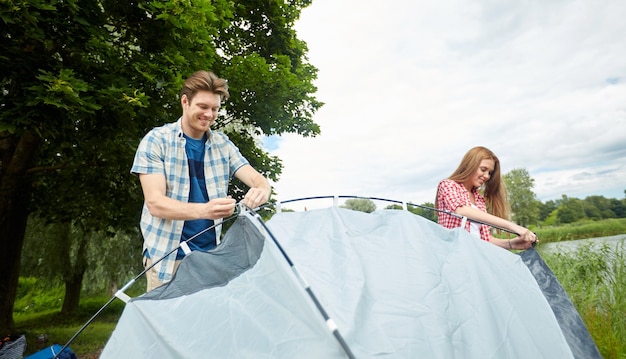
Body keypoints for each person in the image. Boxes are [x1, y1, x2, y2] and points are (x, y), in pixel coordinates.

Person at [131, 70, 271, 291]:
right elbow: (155, 203)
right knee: (168, 326)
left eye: (214, 109)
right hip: (167, 259)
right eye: (203, 107)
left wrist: (262, 189)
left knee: (208, 325)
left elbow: (256, 178)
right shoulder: (156, 141)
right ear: (185, 102)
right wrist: (206, 210)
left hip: (209, 260)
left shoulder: (222, 144)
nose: (209, 114)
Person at [435, 146, 537, 250]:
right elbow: (461, 210)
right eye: (483, 170)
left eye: (490, 173)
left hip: (476, 256)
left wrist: (512, 244)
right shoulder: (448, 185)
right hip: (454, 256)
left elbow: (484, 239)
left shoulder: (479, 199)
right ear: (469, 165)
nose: (487, 176)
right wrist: (513, 226)